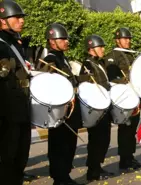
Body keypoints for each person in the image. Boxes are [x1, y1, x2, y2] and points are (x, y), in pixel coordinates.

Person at [38, 23, 83, 185]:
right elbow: (48, 84)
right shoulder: (50, 60)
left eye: (66, 38)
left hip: (69, 109)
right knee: (59, 145)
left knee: (70, 144)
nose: (66, 41)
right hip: (59, 110)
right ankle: (60, 178)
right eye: (62, 38)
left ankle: (65, 175)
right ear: (52, 41)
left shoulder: (62, 58)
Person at [0, 1, 33, 184]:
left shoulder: (14, 44)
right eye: (17, 17)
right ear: (3, 21)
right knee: (7, 158)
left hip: (21, 109)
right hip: (6, 112)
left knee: (20, 157)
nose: (21, 21)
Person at [105, 27, 141, 171]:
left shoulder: (131, 55)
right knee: (125, 129)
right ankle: (124, 160)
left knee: (131, 129)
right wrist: (124, 80)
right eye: (125, 38)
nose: (128, 41)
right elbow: (111, 77)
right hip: (123, 98)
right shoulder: (112, 56)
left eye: (129, 38)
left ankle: (130, 156)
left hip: (135, 96)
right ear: (117, 40)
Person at [78, 34, 114, 181]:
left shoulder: (100, 63)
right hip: (96, 107)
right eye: (100, 47)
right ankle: (93, 170)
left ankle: (97, 166)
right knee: (96, 140)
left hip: (104, 105)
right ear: (91, 49)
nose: (103, 49)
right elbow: (87, 86)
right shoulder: (87, 65)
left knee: (104, 139)